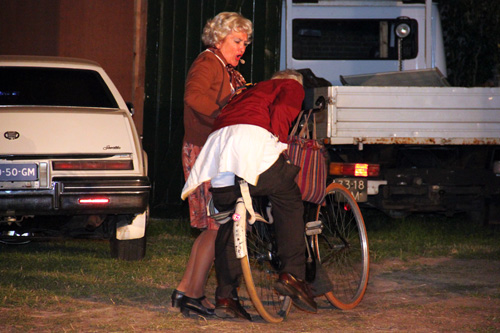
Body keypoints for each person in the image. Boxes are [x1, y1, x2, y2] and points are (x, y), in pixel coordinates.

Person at [181, 69, 318, 321]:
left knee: (230, 220)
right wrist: (279, 145)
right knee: (287, 196)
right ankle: (292, 274)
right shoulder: (290, 86)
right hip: (252, 141)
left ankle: (226, 297)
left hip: (220, 151)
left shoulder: (246, 91)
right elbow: (282, 114)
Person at [173, 12, 252, 317]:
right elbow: (194, 98)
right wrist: (224, 117)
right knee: (216, 227)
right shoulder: (208, 62)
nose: (242, 47)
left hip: (213, 150)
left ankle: (185, 290)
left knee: (212, 228)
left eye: (245, 42)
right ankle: (192, 293)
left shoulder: (226, 68)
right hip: (205, 152)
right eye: (236, 40)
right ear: (219, 39)